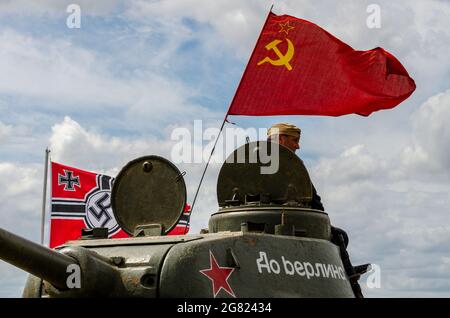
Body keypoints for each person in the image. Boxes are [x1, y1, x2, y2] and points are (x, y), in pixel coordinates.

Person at [267, 122, 325, 211]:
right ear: (280, 139)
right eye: (295, 140)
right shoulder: (294, 169)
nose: (297, 146)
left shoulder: (251, 163)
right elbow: (316, 206)